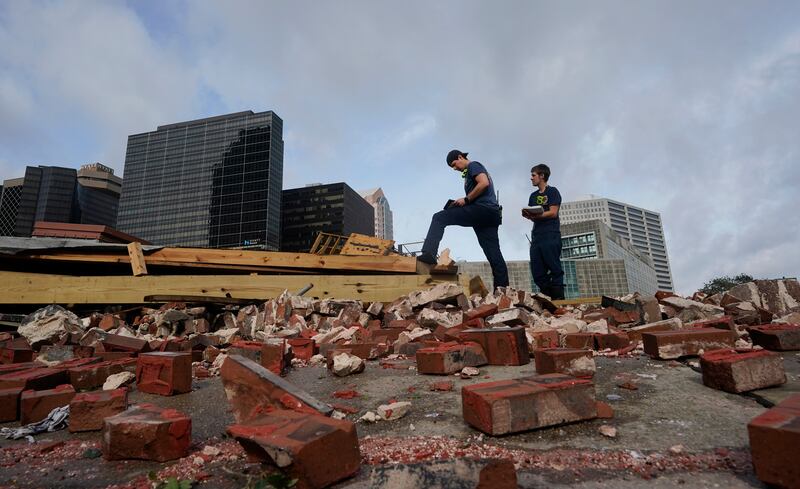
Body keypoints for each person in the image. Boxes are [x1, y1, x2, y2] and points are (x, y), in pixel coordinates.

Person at [418, 150, 509, 289]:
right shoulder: (469, 175)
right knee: (493, 253)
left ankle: (428, 253)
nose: (455, 169)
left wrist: (466, 199)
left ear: (460, 157)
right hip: (489, 216)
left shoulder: (473, 165)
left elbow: (484, 183)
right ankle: (502, 290)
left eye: (454, 164)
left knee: (439, 218)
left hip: (483, 210)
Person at [522, 163, 564, 299]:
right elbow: (536, 218)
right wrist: (529, 215)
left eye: (533, 175)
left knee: (554, 267)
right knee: (537, 272)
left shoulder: (553, 192)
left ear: (542, 176)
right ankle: (548, 297)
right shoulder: (532, 196)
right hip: (537, 237)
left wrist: (536, 215)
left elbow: (553, 212)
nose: (531, 178)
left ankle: (558, 300)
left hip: (551, 234)